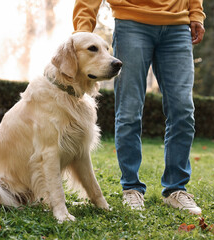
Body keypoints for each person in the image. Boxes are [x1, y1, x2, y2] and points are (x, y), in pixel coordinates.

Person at [73, 0, 205, 214]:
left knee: (183, 110)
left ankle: (176, 189)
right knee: (129, 111)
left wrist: (196, 14)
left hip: (178, 26)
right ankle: (132, 188)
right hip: (132, 22)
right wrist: (81, 34)